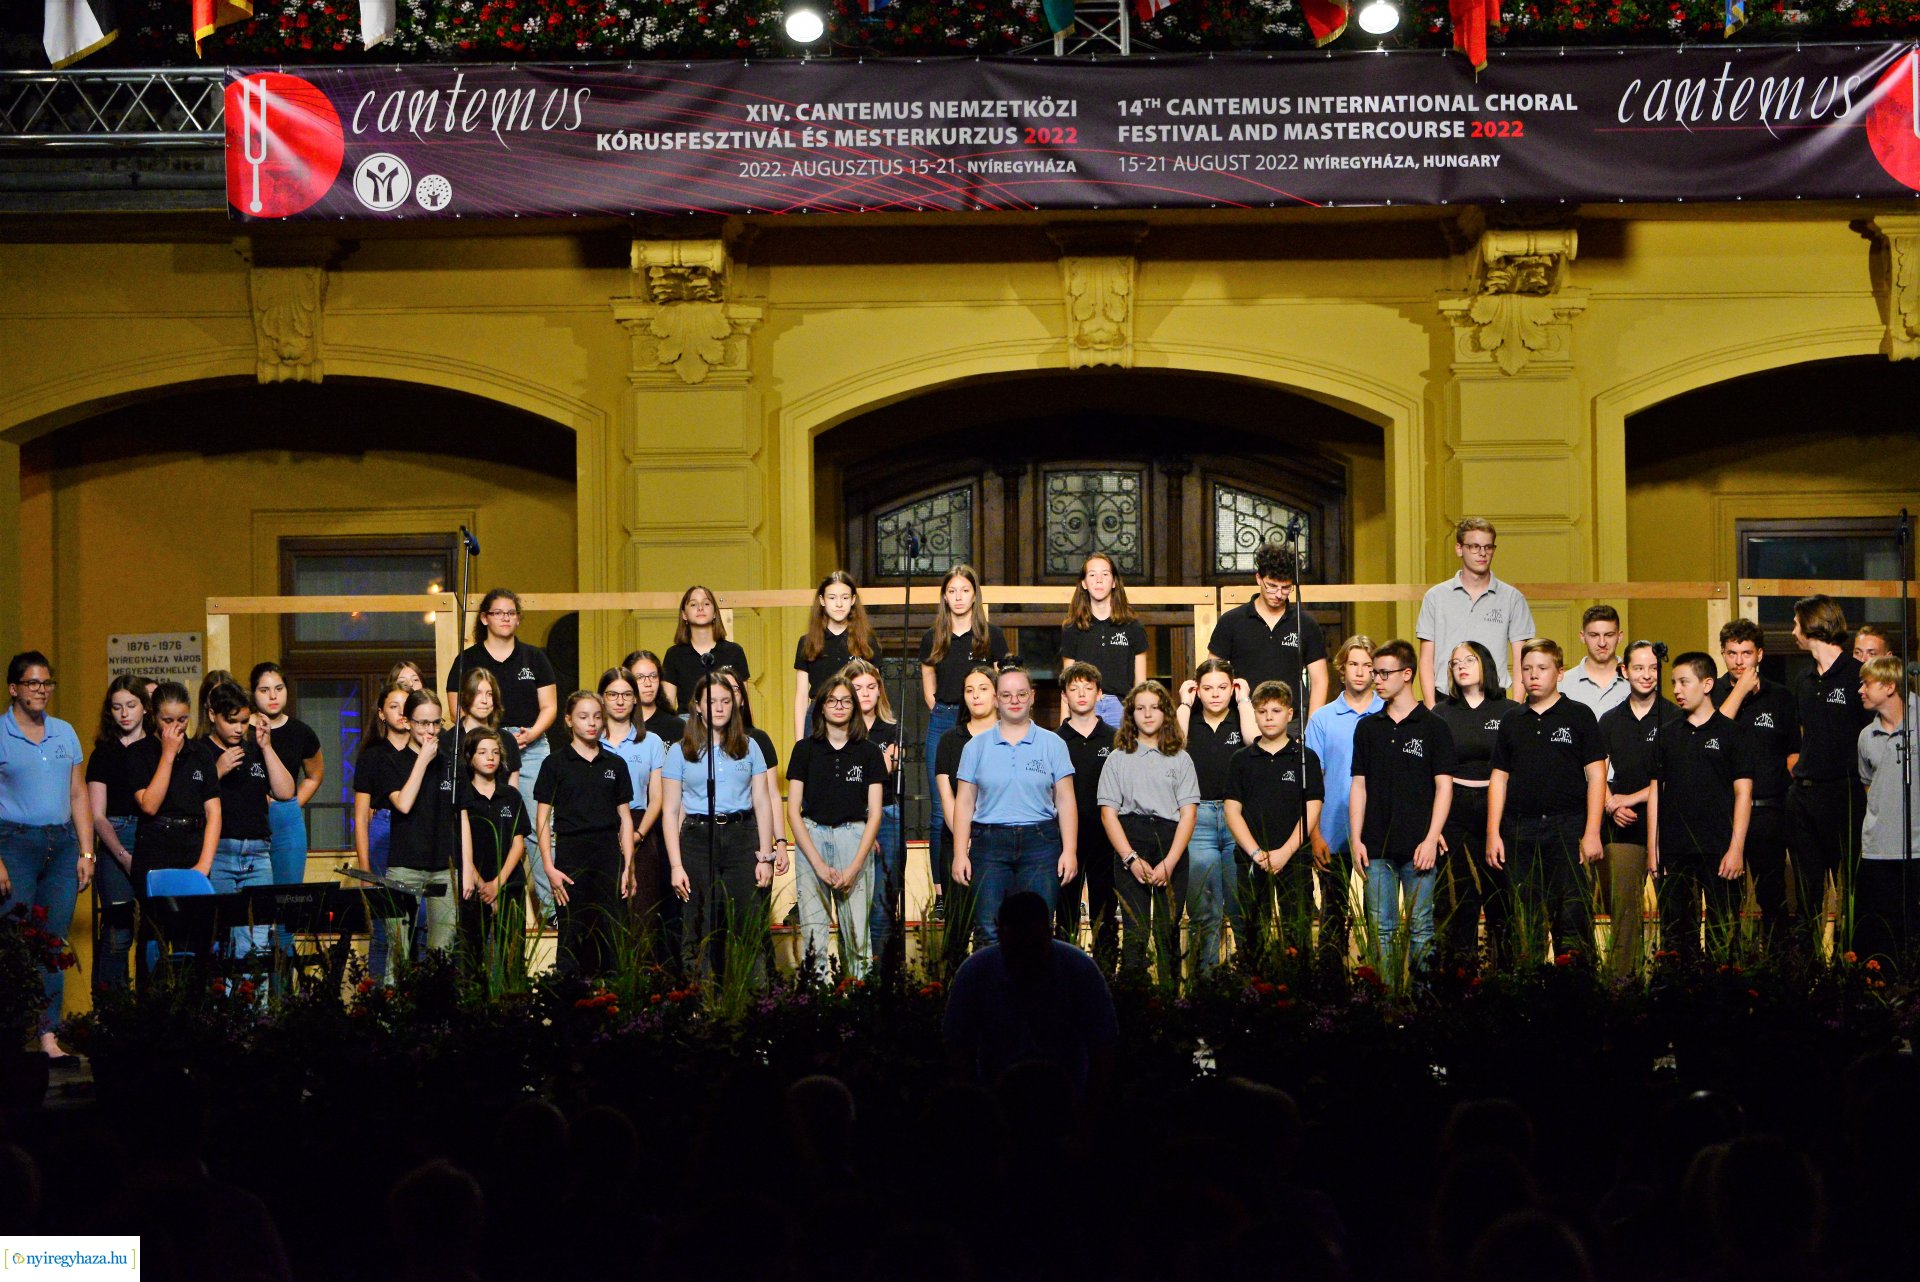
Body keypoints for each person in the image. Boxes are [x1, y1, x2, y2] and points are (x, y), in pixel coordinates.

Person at [1488, 639, 1607, 963]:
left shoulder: (1579, 716)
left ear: (1560, 672)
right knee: (1525, 921)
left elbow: (1597, 776)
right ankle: (1528, 997)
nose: (1533, 675)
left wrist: (1592, 831)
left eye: (1542, 668)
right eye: (1526, 669)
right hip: (1519, 829)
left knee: (1572, 916)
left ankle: (1574, 993)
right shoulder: (1512, 720)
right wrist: (1493, 833)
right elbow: (1499, 777)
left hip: (1567, 828)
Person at [445, 589, 558, 924]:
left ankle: (551, 910)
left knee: (539, 826)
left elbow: (550, 706)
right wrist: (490, 739)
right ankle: (475, 898)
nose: (506, 618)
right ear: (484, 618)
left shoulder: (534, 658)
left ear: (518, 618)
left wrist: (532, 734)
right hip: (481, 745)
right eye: (498, 612)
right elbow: (455, 709)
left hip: (531, 745)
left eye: (512, 612)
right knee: (481, 823)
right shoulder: (467, 659)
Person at [942, 891, 1118, 1102]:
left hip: (1053, 1102)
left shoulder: (976, 970)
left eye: (1032, 946)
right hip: (1021, 1102)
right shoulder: (1079, 968)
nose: (1024, 958)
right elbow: (1104, 1047)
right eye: (1016, 947)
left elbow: (957, 1048)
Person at [0, 653, 91, 1053]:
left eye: (47, 683)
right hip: (14, 844)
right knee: (15, 942)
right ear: (14, 688)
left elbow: (78, 793)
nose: (41, 690)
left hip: (62, 846)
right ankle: (12, 1035)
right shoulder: (1, 733)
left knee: (53, 943)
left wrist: (87, 852)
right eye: (33, 683)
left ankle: (48, 1035)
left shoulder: (64, 733)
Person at [951, 662, 1078, 947]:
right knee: (987, 929)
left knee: (1039, 928)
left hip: (1041, 843)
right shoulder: (975, 747)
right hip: (989, 843)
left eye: (1021, 694)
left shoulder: (1053, 744)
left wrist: (1069, 850)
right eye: (1007, 695)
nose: (1015, 701)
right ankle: (995, 992)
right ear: (996, 699)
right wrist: (960, 853)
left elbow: (1066, 799)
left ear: (1032, 696)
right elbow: (964, 801)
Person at [1350, 639, 1455, 973]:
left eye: (1383, 673)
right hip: (1377, 846)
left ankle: (1422, 1006)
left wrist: (1431, 837)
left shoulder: (1433, 725)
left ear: (1407, 674)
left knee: (1422, 929)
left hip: (1419, 847)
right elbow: (1359, 785)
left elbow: (1444, 786)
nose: (1375, 679)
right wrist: (1356, 839)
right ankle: (1385, 1003)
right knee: (1381, 932)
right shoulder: (1367, 727)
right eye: (1373, 673)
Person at [663, 675, 777, 983]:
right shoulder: (680, 751)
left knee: (749, 926)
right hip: (698, 839)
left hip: (742, 837)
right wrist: (675, 865)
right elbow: (671, 810)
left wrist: (766, 856)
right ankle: (704, 1007)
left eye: (726, 701)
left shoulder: (750, 746)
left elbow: (763, 802)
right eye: (711, 701)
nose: (719, 707)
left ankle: (754, 1007)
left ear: (736, 705)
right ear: (698, 707)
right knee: (699, 928)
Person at [1647, 653, 1754, 963]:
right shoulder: (1667, 734)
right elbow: (1656, 790)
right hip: (1676, 848)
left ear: (1707, 684)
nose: (1677, 690)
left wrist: (1736, 848)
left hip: (1719, 847)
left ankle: (1723, 998)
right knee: (1676, 932)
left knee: (1724, 932)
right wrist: (1654, 847)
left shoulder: (1731, 732)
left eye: (1684, 682)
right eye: (1673, 683)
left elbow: (1743, 792)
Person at [919, 564, 1010, 923]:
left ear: (975, 594)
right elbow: (928, 677)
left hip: (987, 721)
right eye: (952, 591)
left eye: (964, 590)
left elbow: (1001, 682)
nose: (958, 597)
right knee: (942, 811)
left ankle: (991, 882)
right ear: (945, 596)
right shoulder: (933, 636)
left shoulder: (992, 636)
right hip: (945, 719)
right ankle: (942, 894)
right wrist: (941, 708)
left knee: (990, 800)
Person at [1099, 680, 1199, 986]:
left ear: (1166, 713)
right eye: (1140, 708)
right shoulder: (1117, 758)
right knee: (1135, 930)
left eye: (1154, 708)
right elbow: (1108, 813)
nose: (1147, 714)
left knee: (1167, 931)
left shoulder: (1181, 758)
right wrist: (1130, 858)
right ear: (1130, 715)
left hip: (1171, 845)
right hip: (1131, 840)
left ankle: (1170, 1005)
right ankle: (1134, 1005)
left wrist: (1169, 862)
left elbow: (1188, 814)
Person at [1787, 595, 1871, 954]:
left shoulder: (1856, 676)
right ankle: (1805, 975)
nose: (1792, 631)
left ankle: (1851, 970)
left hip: (1844, 794)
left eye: (1796, 624)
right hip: (1804, 795)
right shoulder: (1803, 679)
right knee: (1806, 891)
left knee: (1851, 889)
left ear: (1812, 626)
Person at [786, 676, 885, 978]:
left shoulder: (868, 752)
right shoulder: (805, 749)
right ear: (821, 707)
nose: (839, 706)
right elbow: (793, 810)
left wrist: (854, 868)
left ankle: (859, 1008)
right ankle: (820, 1009)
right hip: (812, 836)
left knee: (857, 936)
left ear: (854, 707)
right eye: (832, 700)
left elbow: (876, 812)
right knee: (814, 936)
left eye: (845, 700)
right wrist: (817, 863)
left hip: (853, 837)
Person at [1431, 641, 1521, 972]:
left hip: (1498, 809)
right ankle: (1459, 978)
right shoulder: (1441, 713)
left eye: (1469, 659)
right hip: (1454, 809)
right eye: (1455, 663)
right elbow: (1431, 772)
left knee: (1502, 897)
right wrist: (1434, 826)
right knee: (1457, 901)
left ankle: (1506, 977)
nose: (1462, 666)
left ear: (1485, 663)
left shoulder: (1509, 710)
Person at [534, 692, 636, 979]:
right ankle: (567, 1002)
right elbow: (542, 819)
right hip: (570, 852)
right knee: (572, 929)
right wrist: (548, 866)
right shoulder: (555, 764)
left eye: (596, 716)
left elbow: (625, 818)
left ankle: (615, 999)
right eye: (583, 716)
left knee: (612, 929)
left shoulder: (615, 765)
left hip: (607, 853)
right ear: (568, 720)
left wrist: (628, 866)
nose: (591, 723)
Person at [1224, 680, 1324, 970]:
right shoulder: (1241, 760)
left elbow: (1312, 807)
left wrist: (1285, 851)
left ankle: (1297, 990)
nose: (1269, 717)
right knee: (1253, 934)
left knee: (1297, 932)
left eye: (1276, 710)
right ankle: (1254, 991)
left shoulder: (1305, 758)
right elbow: (1232, 811)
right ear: (1254, 714)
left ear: (1290, 714)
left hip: (1294, 859)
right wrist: (1256, 853)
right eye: (1262, 711)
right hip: (1251, 859)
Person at [1716, 618, 1799, 950]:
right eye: (1732, 653)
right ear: (1722, 654)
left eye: (1746, 653)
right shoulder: (1712, 692)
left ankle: (1778, 973)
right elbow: (1715, 736)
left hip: (1768, 812)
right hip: (1724, 813)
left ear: (1760, 655)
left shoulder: (1780, 697)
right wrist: (1737, 692)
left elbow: (1794, 752)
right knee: (1726, 902)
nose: (1739, 661)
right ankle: (1728, 972)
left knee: (1773, 899)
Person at [130, 681, 219, 987]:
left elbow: (214, 813)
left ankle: (197, 1012)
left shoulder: (201, 754)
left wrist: (204, 865)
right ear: (153, 717)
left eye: (182, 720)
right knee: (154, 934)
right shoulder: (140, 753)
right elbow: (150, 804)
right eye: (168, 720)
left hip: (192, 846)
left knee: (196, 937)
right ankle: (150, 1012)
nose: (176, 727)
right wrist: (167, 755)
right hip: (156, 844)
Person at [1176, 658, 1258, 972]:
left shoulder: (1242, 718)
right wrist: (1185, 703)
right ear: (1197, 690)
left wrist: (1245, 700)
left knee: (1241, 909)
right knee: (1204, 912)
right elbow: (1174, 744)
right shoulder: (1190, 719)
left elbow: (1254, 741)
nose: (1215, 694)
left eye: (1223, 687)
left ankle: (1248, 984)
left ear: (1233, 687)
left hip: (1237, 818)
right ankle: (1205, 988)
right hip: (1199, 819)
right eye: (1207, 688)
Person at [366, 690, 456, 977]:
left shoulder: (450, 763)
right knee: (398, 957)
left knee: (441, 956)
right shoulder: (389, 760)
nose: (430, 730)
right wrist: (422, 761)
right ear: (407, 722)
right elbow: (403, 803)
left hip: (444, 868)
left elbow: (461, 815)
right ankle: (394, 1019)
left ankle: (434, 1021)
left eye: (436, 723)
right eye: (422, 723)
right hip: (404, 866)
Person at [1596, 642, 1672, 978]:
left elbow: (1674, 777)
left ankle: (1670, 983)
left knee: (1673, 912)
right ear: (1624, 671)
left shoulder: (1674, 717)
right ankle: (1621, 987)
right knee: (1624, 914)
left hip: (1667, 832)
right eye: (1638, 668)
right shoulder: (1610, 720)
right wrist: (1612, 803)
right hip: (1620, 832)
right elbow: (1596, 772)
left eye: (1653, 668)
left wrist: (1631, 798)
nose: (1646, 675)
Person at [204, 680, 295, 961]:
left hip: (258, 854)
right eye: (231, 722)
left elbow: (285, 791)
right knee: (227, 942)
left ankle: (260, 1005)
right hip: (220, 855)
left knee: (259, 943)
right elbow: (187, 802)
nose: (239, 729)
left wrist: (266, 748)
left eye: (244, 722)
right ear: (212, 716)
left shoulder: (255, 748)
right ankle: (232, 1005)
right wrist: (216, 772)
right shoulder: (200, 752)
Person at [1304, 635, 1380, 969]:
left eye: (1368, 665)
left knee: (1379, 916)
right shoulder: (1322, 718)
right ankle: (1329, 987)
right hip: (1332, 832)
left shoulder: (1388, 714)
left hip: (1377, 832)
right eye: (1354, 664)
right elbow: (1312, 781)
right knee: (1333, 916)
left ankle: (1376, 984)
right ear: (1342, 668)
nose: (1361, 672)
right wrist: (1315, 833)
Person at [248, 663, 323, 961]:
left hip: (286, 821)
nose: (273, 696)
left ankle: (285, 997)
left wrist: (291, 804)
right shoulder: (243, 729)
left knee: (287, 909)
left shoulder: (301, 732)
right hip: (249, 821)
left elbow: (315, 775)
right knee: (256, 911)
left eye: (278, 688)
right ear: (253, 693)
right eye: (264, 690)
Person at [1418, 518, 1536, 706]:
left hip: (1495, 698)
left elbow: (1522, 658)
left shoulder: (1512, 598)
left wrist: (1516, 707)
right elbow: (1426, 659)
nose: (1482, 553)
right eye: (1474, 546)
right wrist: (1431, 707)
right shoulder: (1436, 597)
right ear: (1459, 549)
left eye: (1488, 547)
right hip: (1447, 699)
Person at [1207, 543, 1329, 718]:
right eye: (1271, 586)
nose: (1278, 594)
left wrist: (1311, 729)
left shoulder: (1306, 624)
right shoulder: (1231, 621)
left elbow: (1319, 680)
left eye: (1286, 588)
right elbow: (1213, 674)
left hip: (1292, 721)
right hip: (1242, 718)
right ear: (1258, 578)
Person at [596, 669, 667, 959]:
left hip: (641, 828)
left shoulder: (650, 741)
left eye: (627, 694)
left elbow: (658, 797)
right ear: (603, 698)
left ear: (636, 700)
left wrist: (636, 835)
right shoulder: (592, 739)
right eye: (613, 694)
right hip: (601, 829)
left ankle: (645, 987)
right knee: (605, 912)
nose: (620, 701)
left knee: (643, 912)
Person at [1854, 655, 1920, 962]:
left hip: (1917, 850)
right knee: (1882, 937)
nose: (1861, 691)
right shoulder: (1867, 736)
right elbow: (1869, 785)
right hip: (1879, 850)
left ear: (1890, 686)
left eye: (1867, 684)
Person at [932, 665, 1000, 965]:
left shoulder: (1008, 736)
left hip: (998, 842)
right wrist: (964, 837)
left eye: (983, 688)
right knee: (957, 928)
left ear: (997, 695)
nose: (976, 695)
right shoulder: (950, 739)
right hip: (956, 843)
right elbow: (947, 795)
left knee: (996, 928)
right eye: (970, 690)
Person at [85, 674, 148, 992]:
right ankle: (113, 1015)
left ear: (144, 708)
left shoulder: (157, 749)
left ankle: (153, 1011)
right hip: (115, 836)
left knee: (154, 928)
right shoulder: (103, 754)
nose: (124, 713)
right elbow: (97, 815)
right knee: (118, 929)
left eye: (131, 705)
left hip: (152, 835)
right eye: (117, 707)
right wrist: (123, 856)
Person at [842, 659, 905, 971]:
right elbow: (843, 779)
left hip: (888, 817)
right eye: (857, 688)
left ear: (880, 691)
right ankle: (852, 980)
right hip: (848, 820)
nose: (864, 694)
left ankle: (879, 982)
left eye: (870, 687)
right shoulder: (839, 731)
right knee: (849, 904)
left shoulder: (893, 730)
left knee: (881, 906)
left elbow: (883, 776)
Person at [1056, 662, 1119, 965]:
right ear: (1065, 696)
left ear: (1100, 693)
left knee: (1105, 916)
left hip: (1106, 840)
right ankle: (1061, 981)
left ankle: (1108, 979)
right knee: (1064, 917)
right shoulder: (1053, 741)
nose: (1081, 693)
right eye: (1074, 688)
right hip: (1064, 842)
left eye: (1088, 687)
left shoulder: (1117, 740)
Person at [456, 728, 528, 985]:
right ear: (470, 757)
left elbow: (518, 844)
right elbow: (460, 844)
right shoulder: (462, 797)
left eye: (495, 752)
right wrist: (481, 884)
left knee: (513, 957)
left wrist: (497, 883)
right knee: (472, 959)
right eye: (483, 752)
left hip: (510, 885)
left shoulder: (511, 796)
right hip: (473, 888)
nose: (490, 757)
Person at [352, 681, 410, 985]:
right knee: (384, 929)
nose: (401, 713)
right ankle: (376, 1004)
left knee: (420, 925)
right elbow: (360, 815)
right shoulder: (372, 756)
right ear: (382, 714)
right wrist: (364, 867)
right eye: (393, 706)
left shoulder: (423, 752)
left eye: (406, 706)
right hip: (383, 832)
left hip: (417, 833)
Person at [1058, 553, 1148, 729]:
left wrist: (1140, 719)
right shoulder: (1072, 629)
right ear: (1084, 583)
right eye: (1092, 575)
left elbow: (1141, 683)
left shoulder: (1133, 627)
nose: (1099, 580)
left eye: (1105, 574)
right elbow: (1067, 682)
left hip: (1122, 708)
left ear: (1114, 582)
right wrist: (1064, 724)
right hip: (1084, 708)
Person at [793, 571, 877, 741]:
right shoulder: (807, 642)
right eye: (832, 598)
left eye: (845, 598)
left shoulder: (867, 641)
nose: (839, 604)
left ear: (853, 600)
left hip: (855, 714)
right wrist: (799, 743)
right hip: (818, 714)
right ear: (822, 600)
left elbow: (875, 689)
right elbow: (801, 696)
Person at [661, 585, 750, 714]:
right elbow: (667, 706)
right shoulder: (674, 654)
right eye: (693, 604)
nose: (700, 608)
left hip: (727, 722)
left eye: (706, 603)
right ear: (684, 614)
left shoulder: (734, 651)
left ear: (715, 613)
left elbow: (744, 704)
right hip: (688, 724)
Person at [453, 668, 523, 790]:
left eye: (489, 694)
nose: (484, 701)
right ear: (466, 696)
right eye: (477, 693)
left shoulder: (507, 740)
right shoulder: (450, 740)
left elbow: (513, 795)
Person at [1559, 605, 1629, 718]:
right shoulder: (1563, 684)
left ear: (1619, 636)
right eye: (1594, 635)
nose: (1602, 643)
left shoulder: (1636, 682)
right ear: (1582, 637)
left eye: (1609, 635)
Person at [623, 650, 685, 746]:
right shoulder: (620, 724)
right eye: (639, 677)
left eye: (653, 676)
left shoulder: (677, 726)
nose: (648, 683)